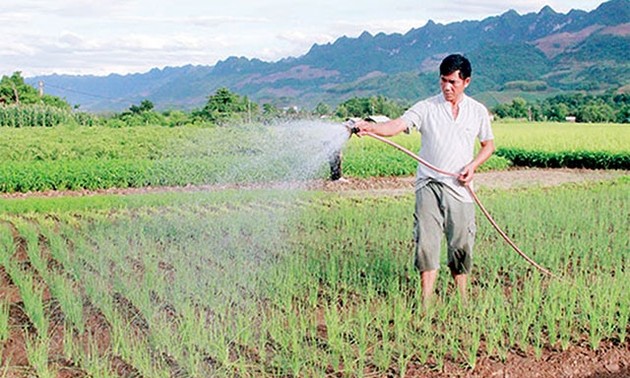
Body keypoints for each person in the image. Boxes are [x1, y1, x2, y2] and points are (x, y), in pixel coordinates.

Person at [354, 54, 495, 306]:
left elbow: (488, 145)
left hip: (460, 188)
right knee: (427, 242)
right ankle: (426, 302)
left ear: (467, 82)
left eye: (452, 81)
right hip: (428, 184)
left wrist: (473, 166)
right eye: (443, 80)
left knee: (461, 242)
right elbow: (398, 125)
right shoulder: (426, 107)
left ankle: (462, 299)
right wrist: (371, 127)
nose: (446, 87)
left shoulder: (477, 111)